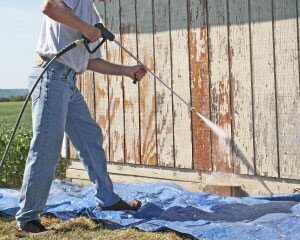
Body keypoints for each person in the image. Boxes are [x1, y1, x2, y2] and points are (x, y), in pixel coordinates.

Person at [15, 0, 146, 236]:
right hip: (50, 75)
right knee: (47, 145)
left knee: (90, 136)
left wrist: (127, 70)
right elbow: (49, 6)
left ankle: (107, 199)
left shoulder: (92, 13)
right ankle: (27, 218)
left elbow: (89, 62)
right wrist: (87, 29)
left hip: (67, 80)